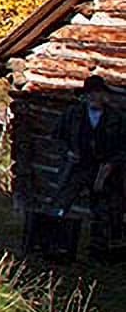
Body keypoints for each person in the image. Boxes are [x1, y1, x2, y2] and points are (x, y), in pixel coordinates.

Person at [36, 74, 126, 262]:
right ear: (85, 96)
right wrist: (68, 152)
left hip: (104, 168)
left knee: (103, 209)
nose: (93, 97)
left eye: (97, 93)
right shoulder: (73, 115)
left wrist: (109, 166)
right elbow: (56, 138)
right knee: (61, 203)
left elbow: (122, 148)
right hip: (77, 167)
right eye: (90, 94)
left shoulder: (116, 117)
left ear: (104, 96)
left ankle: (99, 250)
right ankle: (53, 245)